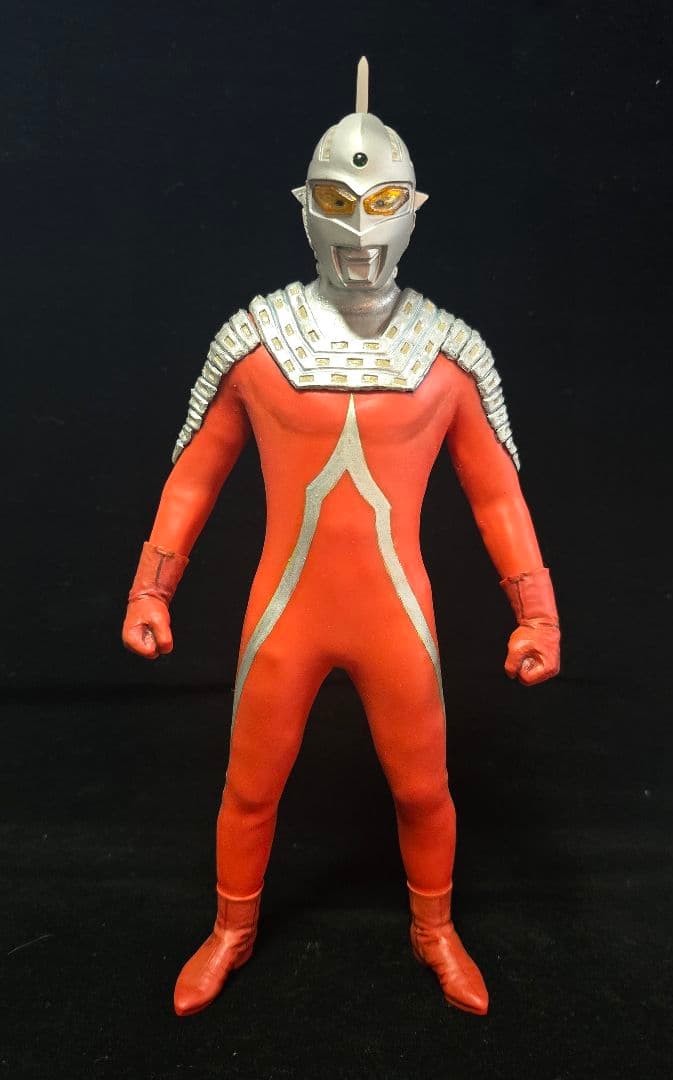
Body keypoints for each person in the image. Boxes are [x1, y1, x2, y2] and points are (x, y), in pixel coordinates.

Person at [122, 58, 560, 1017]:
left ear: (412, 210)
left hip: (393, 620)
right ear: (307, 208)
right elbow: (196, 471)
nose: (361, 229)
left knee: (423, 789)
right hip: (289, 615)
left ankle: (434, 928)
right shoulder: (257, 342)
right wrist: (151, 587)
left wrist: (538, 611)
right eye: (339, 202)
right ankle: (232, 929)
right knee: (250, 787)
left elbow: (497, 496)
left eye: (383, 203)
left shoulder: (448, 355)